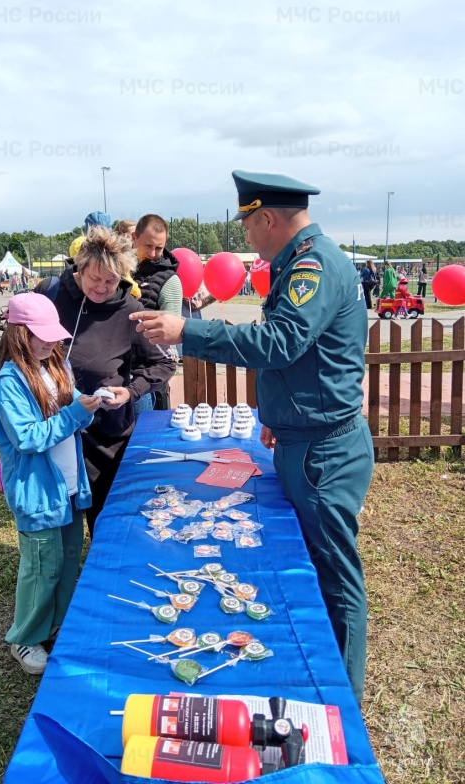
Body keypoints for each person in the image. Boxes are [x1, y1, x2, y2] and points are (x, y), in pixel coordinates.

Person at [131, 170, 374, 705]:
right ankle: (322, 671)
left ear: (266, 218)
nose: (244, 236)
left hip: (323, 452)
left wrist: (185, 331)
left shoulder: (311, 265)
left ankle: (343, 701)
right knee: (310, 564)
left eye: (246, 223)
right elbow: (308, 356)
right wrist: (277, 411)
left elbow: (281, 342)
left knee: (334, 575)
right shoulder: (306, 261)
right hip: (304, 437)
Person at [34, 226, 175, 537]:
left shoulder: (131, 311)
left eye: (111, 281)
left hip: (105, 438)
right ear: (80, 268)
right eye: (94, 278)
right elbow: (16, 350)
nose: (101, 287)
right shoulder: (51, 297)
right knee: (60, 527)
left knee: (106, 523)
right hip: (55, 432)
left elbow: (164, 362)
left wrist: (131, 391)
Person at [0, 293, 102, 675]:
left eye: (54, 335)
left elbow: (72, 421)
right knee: (42, 567)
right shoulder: (9, 382)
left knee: (68, 559)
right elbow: (27, 438)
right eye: (42, 336)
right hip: (37, 491)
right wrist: (75, 414)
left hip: (69, 486)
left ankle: (57, 625)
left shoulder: (58, 364)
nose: (51, 342)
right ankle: (25, 639)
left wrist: (88, 408)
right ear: (19, 333)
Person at [131, 214, 182, 414]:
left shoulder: (170, 280)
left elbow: (170, 332)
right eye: (148, 246)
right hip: (112, 366)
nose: (153, 253)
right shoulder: (117, 269)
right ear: (134, 238)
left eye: (159, 248)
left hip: (144, 373)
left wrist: (134, 310)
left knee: (140, 438)